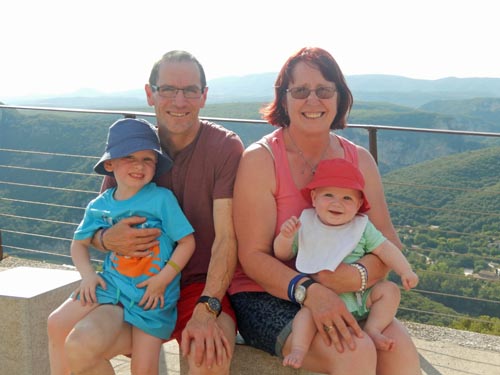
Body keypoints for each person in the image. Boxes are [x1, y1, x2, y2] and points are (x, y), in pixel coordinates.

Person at [47, 50, 244, 375]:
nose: (179, 101)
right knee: (78, 345)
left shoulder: (223, 148)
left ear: (204, 96)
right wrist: (108, 240)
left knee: (210, 356)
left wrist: (208, 308)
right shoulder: (132, 148)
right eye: (167, 89)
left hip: (197, 283)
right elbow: (99, 228)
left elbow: (226, 239)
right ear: (150, 94)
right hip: (132, 284)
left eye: (190, 90)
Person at [228, 46, 422, 375]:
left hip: (347, 291)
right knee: (354, 351)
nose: (313, 100)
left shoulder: (359, 160)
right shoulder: (261, 160)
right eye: (300, 91)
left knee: (400, 352)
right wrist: (312, 291)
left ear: (339, 97)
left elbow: (387, 240)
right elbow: (253, 257)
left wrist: (356, 276)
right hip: (267, 294)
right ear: (284, 99)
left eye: (324, 90)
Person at [48, 118, 196, 375]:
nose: (139, 165)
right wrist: (88, 276)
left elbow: (187, 241)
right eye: (129, 157)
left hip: (152, 297)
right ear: (110, 164)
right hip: (111, 287)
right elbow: (79, 244)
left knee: (143, 369)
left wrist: (163, 278)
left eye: (148, 159)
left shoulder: (161, 199)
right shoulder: (100, 205)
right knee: (56, 323)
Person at [273, 158, 419, 368]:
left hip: (362, 298)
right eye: (328, 195)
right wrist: (286, 237)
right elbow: (282, 254)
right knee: (304, 317)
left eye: (347, 198)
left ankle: (373, 328)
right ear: (314, 198)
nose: (337, 203)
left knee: (390, 290)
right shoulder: (305, 224)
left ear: (358, 204)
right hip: (323, 301)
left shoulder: (362, 228)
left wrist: (405, 270)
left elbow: (385, 248)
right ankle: (299, 349)